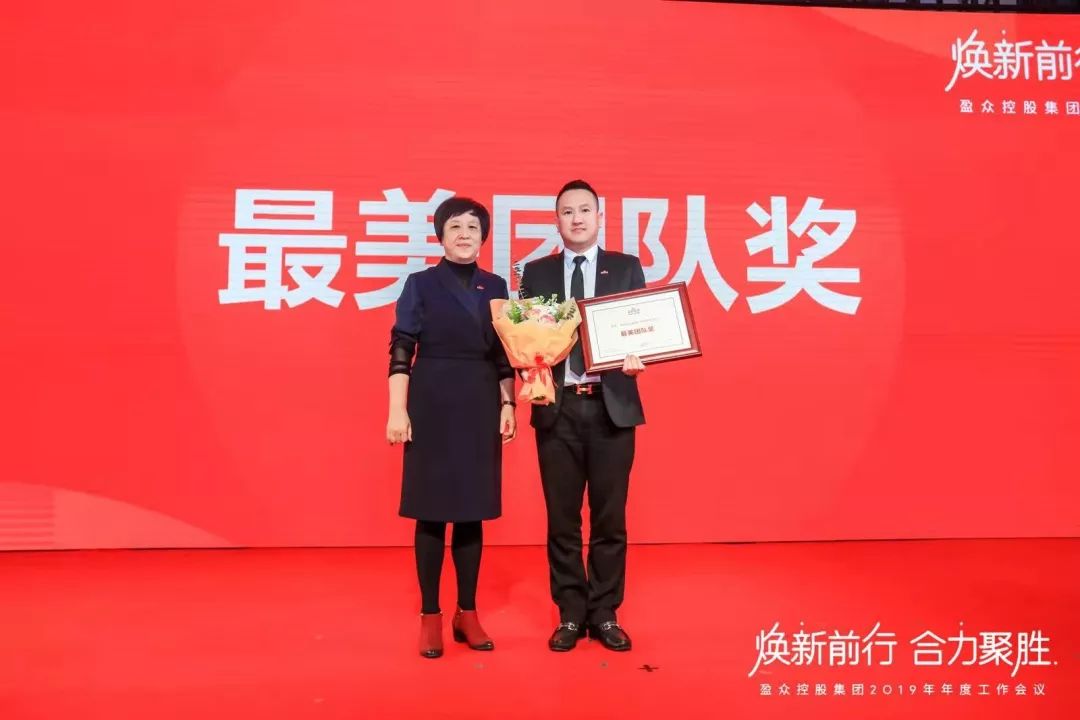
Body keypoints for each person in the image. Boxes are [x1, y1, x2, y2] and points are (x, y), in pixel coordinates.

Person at [386, 196, 517, 659]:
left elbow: (505, 352)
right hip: (431, 402)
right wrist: (397, 410)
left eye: (473, 228)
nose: (465, 235)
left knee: (470, 510)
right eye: (455, 226)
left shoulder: (495, 285)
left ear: (484, 237)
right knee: (430, 511)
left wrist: (508, 403)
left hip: (480, 402)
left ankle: (467, 612)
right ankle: (430, 615)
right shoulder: (420, 284)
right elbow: (402, 347)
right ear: (441, 235)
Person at [518, 179, 646, 652]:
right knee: (562, 519)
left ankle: (605, 612)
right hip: (560, 409)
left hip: (612, 407)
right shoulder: (537, 273)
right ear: (557, 220)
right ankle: (571, 613)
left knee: (610, 518)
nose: (576, 218)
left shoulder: (626, 267)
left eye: (585, 210)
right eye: (567, 211)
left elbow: (641, 327)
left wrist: (640, 353)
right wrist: (526, 360)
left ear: (599, 217)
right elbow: (524, 337)